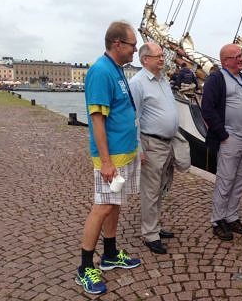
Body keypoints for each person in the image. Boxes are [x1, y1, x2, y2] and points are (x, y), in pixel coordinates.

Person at [76, 21, 141, 295]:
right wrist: (105, 161)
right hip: (111, 156)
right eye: (132, 46)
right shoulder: (101, 72)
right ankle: (84, 266)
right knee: (102, 206)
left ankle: (111, 254)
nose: (134, 51)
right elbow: (97, 120)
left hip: (124, 153)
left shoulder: (116, 69)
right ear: (117, 44)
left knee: (114, 204)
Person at [201, 43, 242, 241]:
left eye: (241, 55)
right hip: (231, 137)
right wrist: (223, 134)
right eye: (237, 56)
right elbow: (207, 108)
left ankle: (232, 216)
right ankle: (218, 220)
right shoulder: (216, 79)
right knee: (225, 180)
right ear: (226, 60)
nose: (241, 58)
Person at [130, 42, 179, 254]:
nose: (162, 59)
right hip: (151, 143)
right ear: (144, 60)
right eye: (158, 56)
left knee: (160, 188)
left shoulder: (163, 80)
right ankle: (150, 234)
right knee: (150, 191)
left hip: (167, 143)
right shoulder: (138, 83)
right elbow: (134, 118)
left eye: (162, 56)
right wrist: (138, 148)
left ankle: (156, 227)